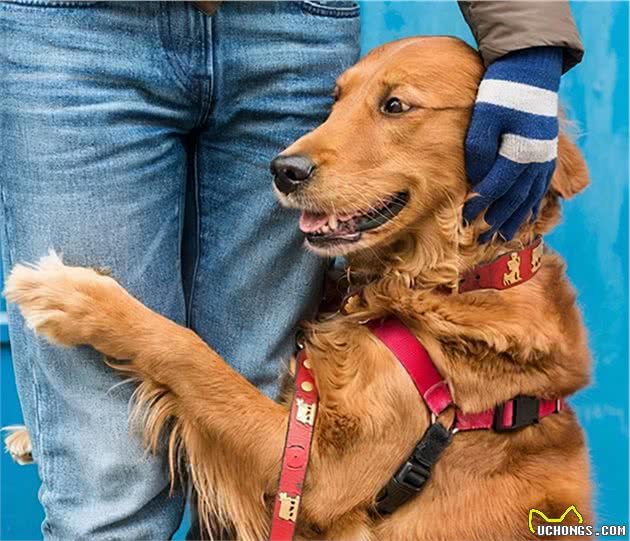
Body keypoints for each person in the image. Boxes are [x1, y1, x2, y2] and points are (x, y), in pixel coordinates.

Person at [0, 1, 582, 539]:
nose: (311, 146)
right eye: (340, 102)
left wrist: (132, 332)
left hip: (291, 22)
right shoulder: (384, 286)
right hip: (72, 27)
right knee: (103, 489)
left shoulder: (476, 333)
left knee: (252, 385)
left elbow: (313, 481)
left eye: (395, 106)